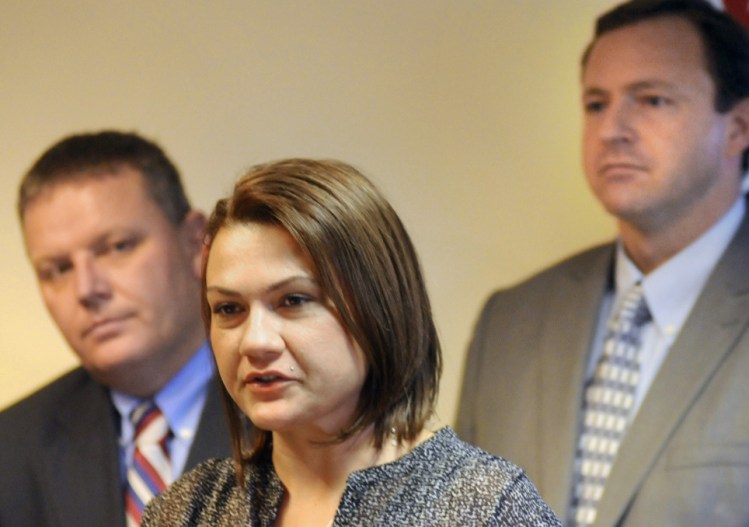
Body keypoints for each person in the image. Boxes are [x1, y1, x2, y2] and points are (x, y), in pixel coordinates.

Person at [142, 158, 561, 526]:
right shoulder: (187, 511)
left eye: (293, 300)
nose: (255, 342)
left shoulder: (483, 509)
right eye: (229, 309)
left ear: (379, 308)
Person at [456, 0, 749, 526]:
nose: (613, 128)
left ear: (739, 127)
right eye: (596, 104)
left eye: (653, 100)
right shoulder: (510, 322)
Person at [0, 131, 232, 527]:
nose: (87, 289)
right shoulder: (11, 448)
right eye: (58, 269)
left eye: (118, 246)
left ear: (196, 243)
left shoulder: (305, 418)